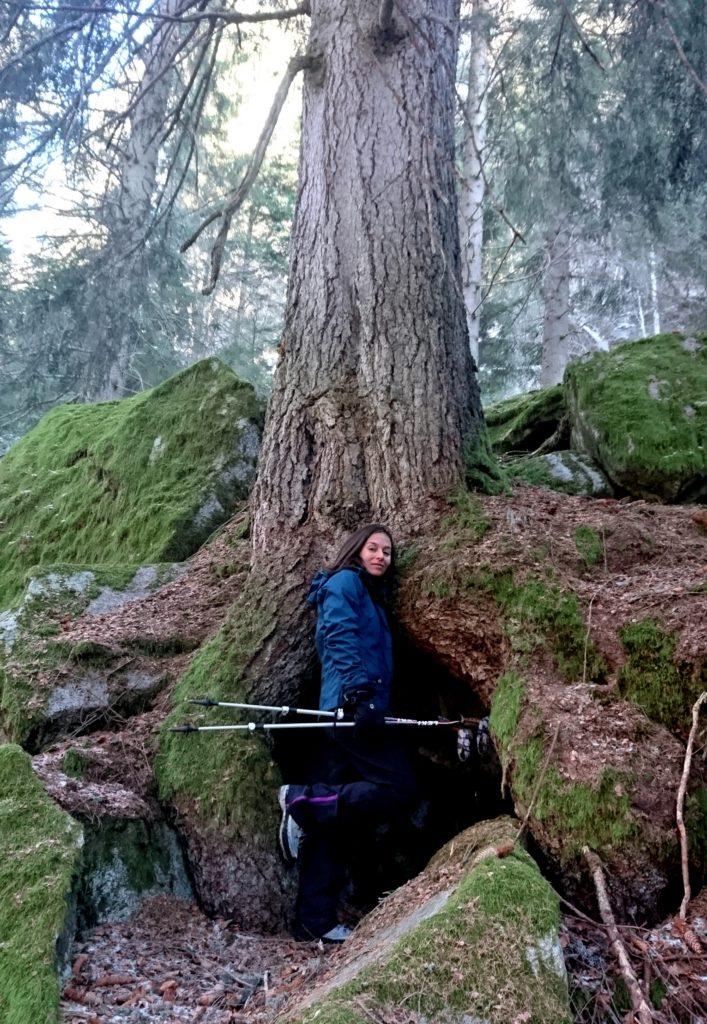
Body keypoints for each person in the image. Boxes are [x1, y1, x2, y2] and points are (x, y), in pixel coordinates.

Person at [277, 524, 418, 943]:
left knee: (334, 822)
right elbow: (338, 635)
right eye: (373, 548)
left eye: (387, 552)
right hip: (348, 711)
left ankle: (312, 921)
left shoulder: (372, 598)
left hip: (355, 711)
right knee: (400, 788)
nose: (380, 556)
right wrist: (359, 693)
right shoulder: (343, 583)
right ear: (356, 550)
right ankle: (299, 798)